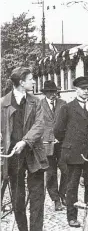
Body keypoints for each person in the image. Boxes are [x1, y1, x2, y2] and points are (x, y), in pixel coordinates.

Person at [0, 67, 47, 231]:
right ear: (21, 82)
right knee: (18, 200)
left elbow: (40, 125)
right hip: (14, 157)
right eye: (31, 79)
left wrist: (25, 141)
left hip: (34, 154)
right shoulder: (3, 103)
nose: (34, 82)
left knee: (37, 198)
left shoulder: (36, 101)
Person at [54, 76, 88, 227]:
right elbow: (58, 131)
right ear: (76, 90)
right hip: (72, 153)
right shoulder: (67, 108)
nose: (86, 92)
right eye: (83, 89)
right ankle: (72, 218)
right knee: (72, 186)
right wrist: (70, 143)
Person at [38, 80, 67, 211]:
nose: (53, 94)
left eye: (54, 92)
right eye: (50, 92)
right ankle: (56, 200)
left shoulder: (63, 104)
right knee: (51, 173)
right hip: (47, 144)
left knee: (66, 170)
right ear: (45, 93)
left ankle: (63, 194)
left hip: (62, 144)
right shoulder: (39, 105)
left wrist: (61, 137)